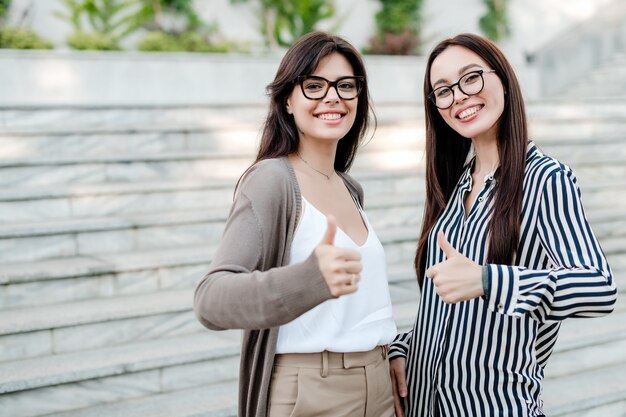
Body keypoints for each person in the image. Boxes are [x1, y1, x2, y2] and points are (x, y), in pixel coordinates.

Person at [388, 33, 617, 417]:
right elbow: (452, 317)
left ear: (504, 80)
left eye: (471, 77)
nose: (458, 96)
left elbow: (599, 287)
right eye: (442, 90)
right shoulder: (457, 185)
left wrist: (489, 280)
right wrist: (404, 348)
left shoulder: (545, 179)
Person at [194, 31, 397, 417]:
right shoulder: (271, 181)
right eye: (314, 85)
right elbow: (210, 299)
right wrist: (309, 280)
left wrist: (390, 353)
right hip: (310, 391)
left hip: (379, 382)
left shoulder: (350, 187)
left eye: (346, 86)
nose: (333, 97)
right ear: (288, 100)